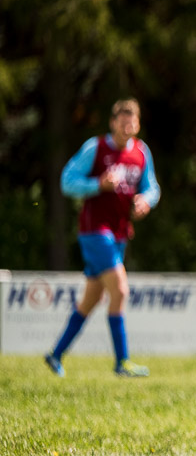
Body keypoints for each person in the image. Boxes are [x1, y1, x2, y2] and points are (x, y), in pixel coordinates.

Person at [44, 98, 161, 378]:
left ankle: (55, 354)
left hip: (120, 233)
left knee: (91, 300)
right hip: (95, 232)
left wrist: (146, 201)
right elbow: (66, 181)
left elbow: (152, 187)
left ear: (138, 125)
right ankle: (122, 362)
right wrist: (98, 184)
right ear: (112, 123)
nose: (126, 127)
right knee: (120, 291)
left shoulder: (142, 152)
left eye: (131, 123)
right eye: (121, 123)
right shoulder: (95, 148)